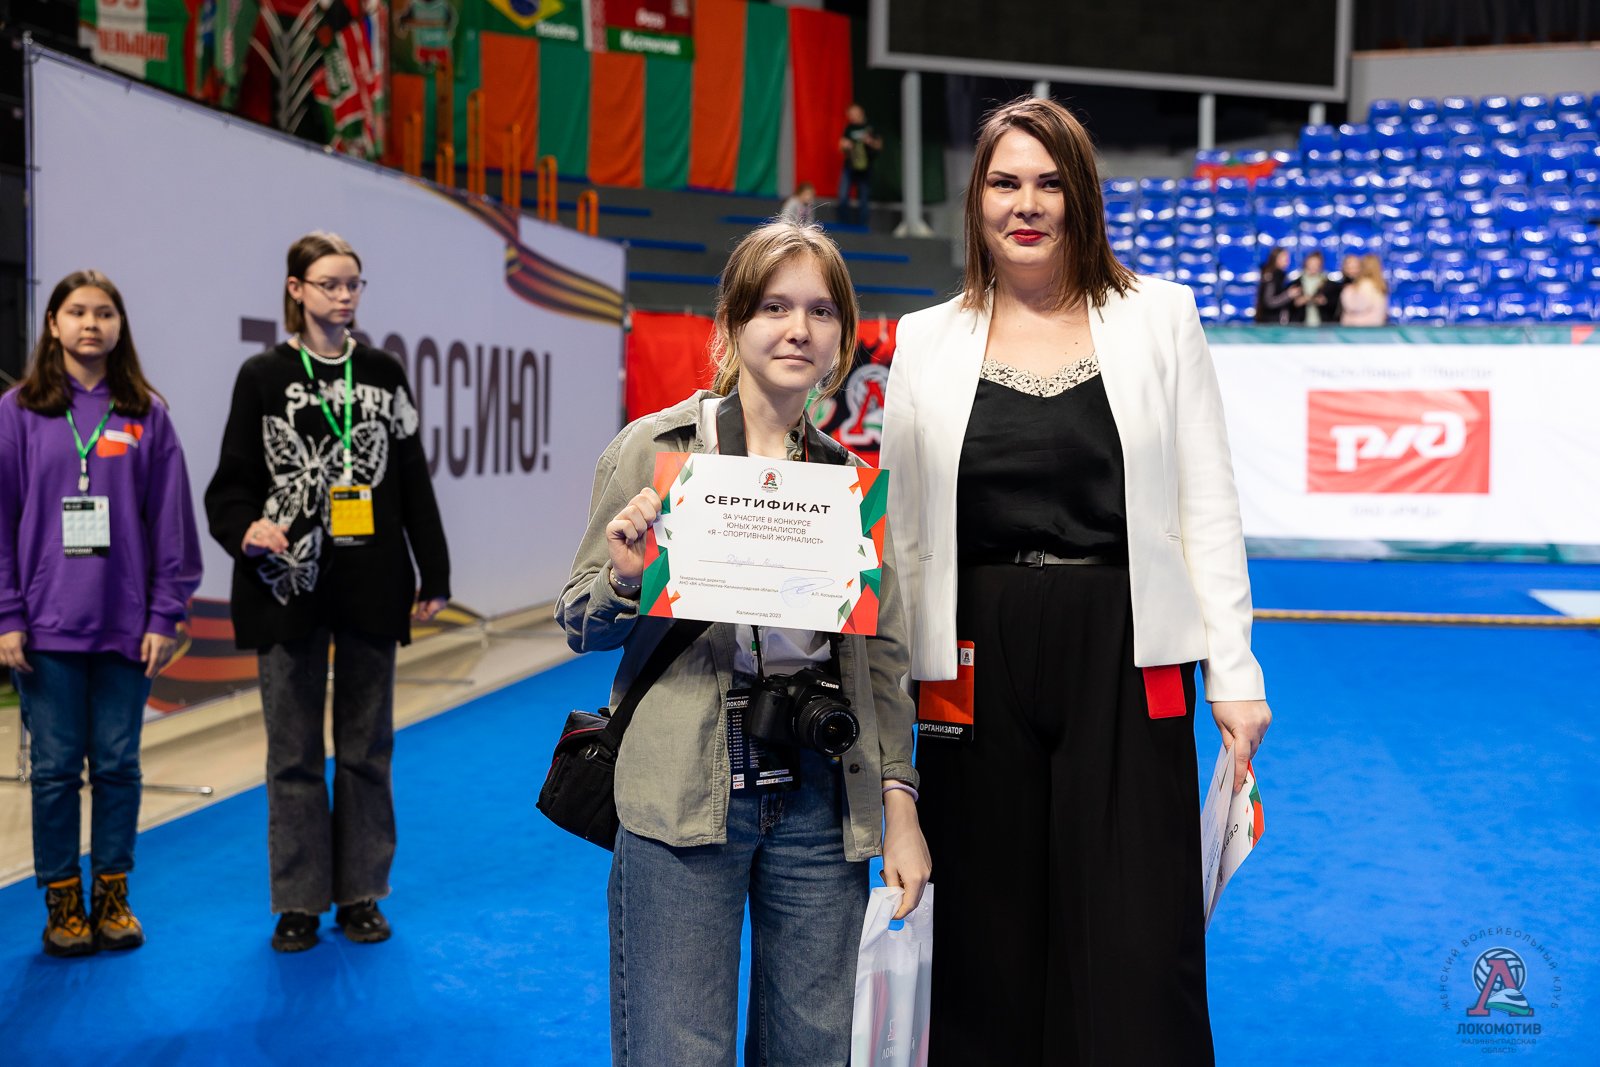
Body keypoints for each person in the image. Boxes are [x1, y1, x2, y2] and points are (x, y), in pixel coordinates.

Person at [880, 97, 1271, 1065]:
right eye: (1005, 182)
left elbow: (1207, 502)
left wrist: (1235, 671)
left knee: (1138, 927)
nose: (1026, 204)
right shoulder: (924, 338)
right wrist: (889, 695)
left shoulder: (1160, 316)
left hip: (1127, 646)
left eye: (1049, 183)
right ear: (976, 201)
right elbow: (904, 535)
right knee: (986, 930)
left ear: (1082, 198)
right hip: (969, 653)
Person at [557, 220, 930, 1066]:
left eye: (821, 311)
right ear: (731, 323)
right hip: (682, 786)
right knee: (675, 1049)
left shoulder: (851, 483)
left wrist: (899, 804)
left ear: (842, 338)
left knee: (813, 1049)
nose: (799, 329)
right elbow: (578, 617)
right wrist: (624, 577)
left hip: (818, 793)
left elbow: (882, 664)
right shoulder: (655, 449)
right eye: (774, 307)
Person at [204, 231, 451, 953]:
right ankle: (299, 900)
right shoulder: (262, 375)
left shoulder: (383, 372)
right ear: (296, 289)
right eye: (330, 284)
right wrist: (245, 529)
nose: (344, 296)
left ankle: (362, 892)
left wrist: (434, 570)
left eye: (353, 284)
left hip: (372, 582)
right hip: (287, 585)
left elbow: (412, 477)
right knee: (293, 753)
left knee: (367, 748)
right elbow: (231, 482)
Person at [0, 270, 202, 957]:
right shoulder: (17, 412)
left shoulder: (147, 413)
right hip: (45, 627)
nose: (92, 323)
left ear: (120, 326)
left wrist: (165, 614)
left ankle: (112, 893)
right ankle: (63, 901)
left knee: (117, 765)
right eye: (78, 311)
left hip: (127, 626)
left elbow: (171, 525)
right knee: (55, 770)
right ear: (53, 324)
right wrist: (6, 614)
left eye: (105, 313)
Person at [838, 103, 882, 228]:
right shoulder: (849, 128)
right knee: (843, 196)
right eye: (850, 115)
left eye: (854, 114)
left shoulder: (871, 127)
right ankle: (844, 225)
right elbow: (841, 145)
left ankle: (862, 227)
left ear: (860, 113)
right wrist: (845, 145)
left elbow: (879, 145)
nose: (851, 117)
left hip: (865, 168)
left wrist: (870, 142)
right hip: (850, 166)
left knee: (864, 198)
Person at [1338, 252, 1390, 326]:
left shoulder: (1365, 284)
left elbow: (1358, 306)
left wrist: (1347, 291)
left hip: (1360, 327)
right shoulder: (1380, 285)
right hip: (1375, 326)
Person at [1253, 245, 1300, 324]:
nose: (1287, 261)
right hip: (1269, 322)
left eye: (1287, 258)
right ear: (1275, 259)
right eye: (1284, 258)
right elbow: (1269, 301)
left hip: (1276, 321)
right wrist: (1289, 295)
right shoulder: (1272, 276)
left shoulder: (1280, 276)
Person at [1290, 250, 1333, 326]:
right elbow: (1289, 304)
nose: (1313, 266)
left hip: (1323, 324)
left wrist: (1324, 302)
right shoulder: (1297, 282)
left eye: (1316, 264)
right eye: (1311, 263)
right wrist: (1297, 302)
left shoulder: (1327, 283)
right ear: (1306, 263)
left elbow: (1334, 303)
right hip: (1301, 324)